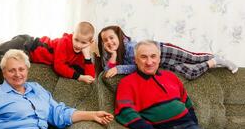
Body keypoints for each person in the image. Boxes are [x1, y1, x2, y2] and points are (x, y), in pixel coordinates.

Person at [114, 40, 230, 129]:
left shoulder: (171, 76)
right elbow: (125, 112)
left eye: (153, 56)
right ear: (135, 59)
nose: (149, 62)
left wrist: (193, 125)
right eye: (143, 57)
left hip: (188, 128)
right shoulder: (127, 82)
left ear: (159, 58)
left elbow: (187, 102)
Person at [0, 21, 95, 84]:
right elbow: (59, 66)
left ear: (90, 42)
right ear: (72, 35)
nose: (78, 44)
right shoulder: (65, 42)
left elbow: (91, 78)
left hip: (26, 56)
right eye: (76, 39)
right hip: (26, 44)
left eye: (83, 43)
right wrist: (79, 77)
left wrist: (87, 57)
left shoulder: (82, 54)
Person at [97, 25, 238, 80]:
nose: (109, 42)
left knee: (193, 58)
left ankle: (218, 58)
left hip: (163, 51)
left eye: (111, 38)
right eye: (105, 40)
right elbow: (107, 72)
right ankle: (214, 62)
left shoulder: (131, 47)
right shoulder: (109, 55)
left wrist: (118, 68)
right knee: (190, 73)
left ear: (120, 37)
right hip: (158, 64)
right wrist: (113, 57)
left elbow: (135, 66)